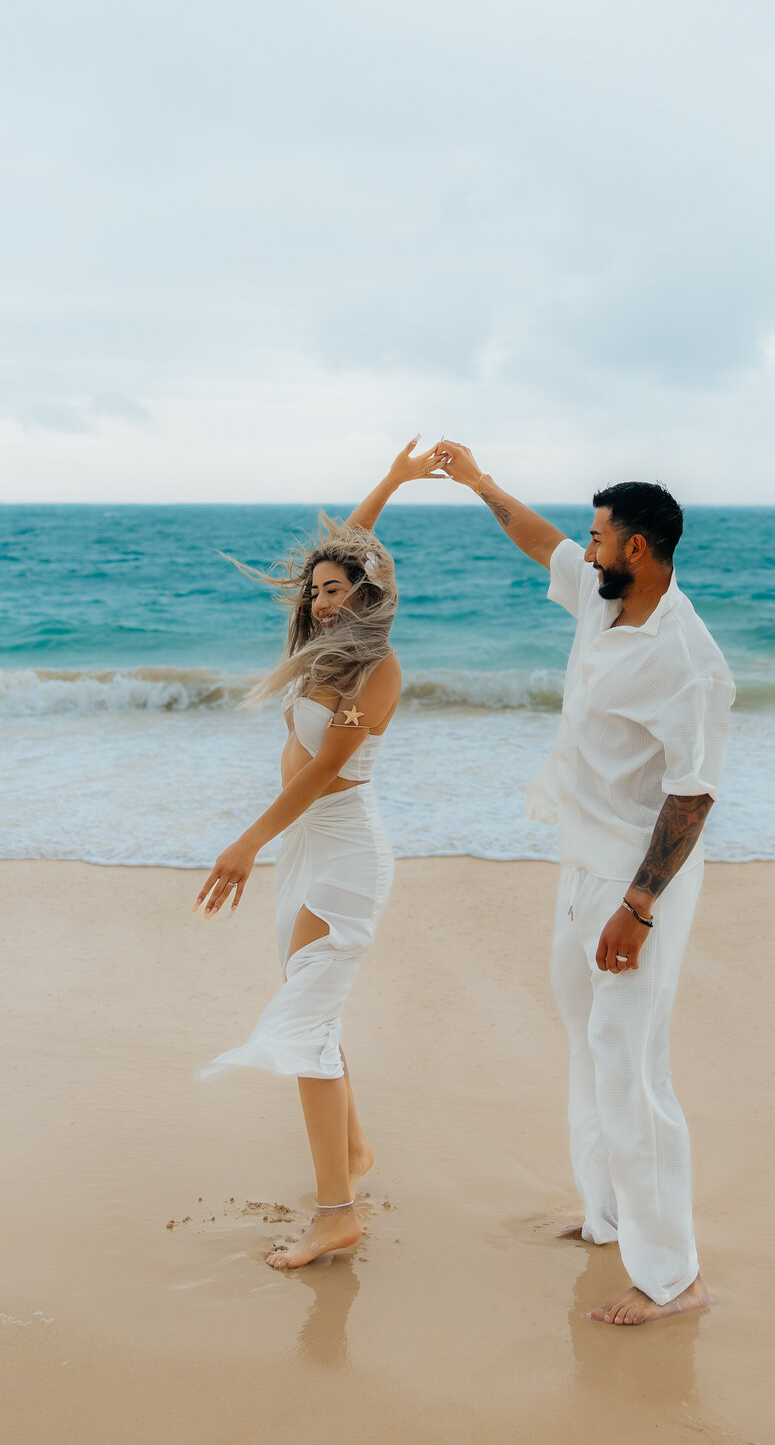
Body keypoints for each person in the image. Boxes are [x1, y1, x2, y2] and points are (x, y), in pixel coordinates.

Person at [433, 442, 734, 1326]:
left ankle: (675, 1277)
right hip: (579, 859)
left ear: (637, 549)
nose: (586, 547)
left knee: (633, 1069)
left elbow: (693, 794)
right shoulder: (603, 605)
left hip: (639, 883)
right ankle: (609, 1220)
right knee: (586, 1045)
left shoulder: (689, 659)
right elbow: (538, 542)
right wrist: (481, 483)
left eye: (599, 537)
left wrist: (639, 908)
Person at [194, 439, 442, 1270]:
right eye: (317, 591)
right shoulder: (321, 651)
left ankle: (337, 1212)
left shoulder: (374, 668)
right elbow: (350, 546)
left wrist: (243, 844)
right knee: (311, 1014)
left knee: (305, 1024)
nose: (324, 600)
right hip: (309, 852)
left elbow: (329, 772)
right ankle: (356, 1150)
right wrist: (394, 481)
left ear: (366, 596)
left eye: (338, 591)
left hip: (346, 857)